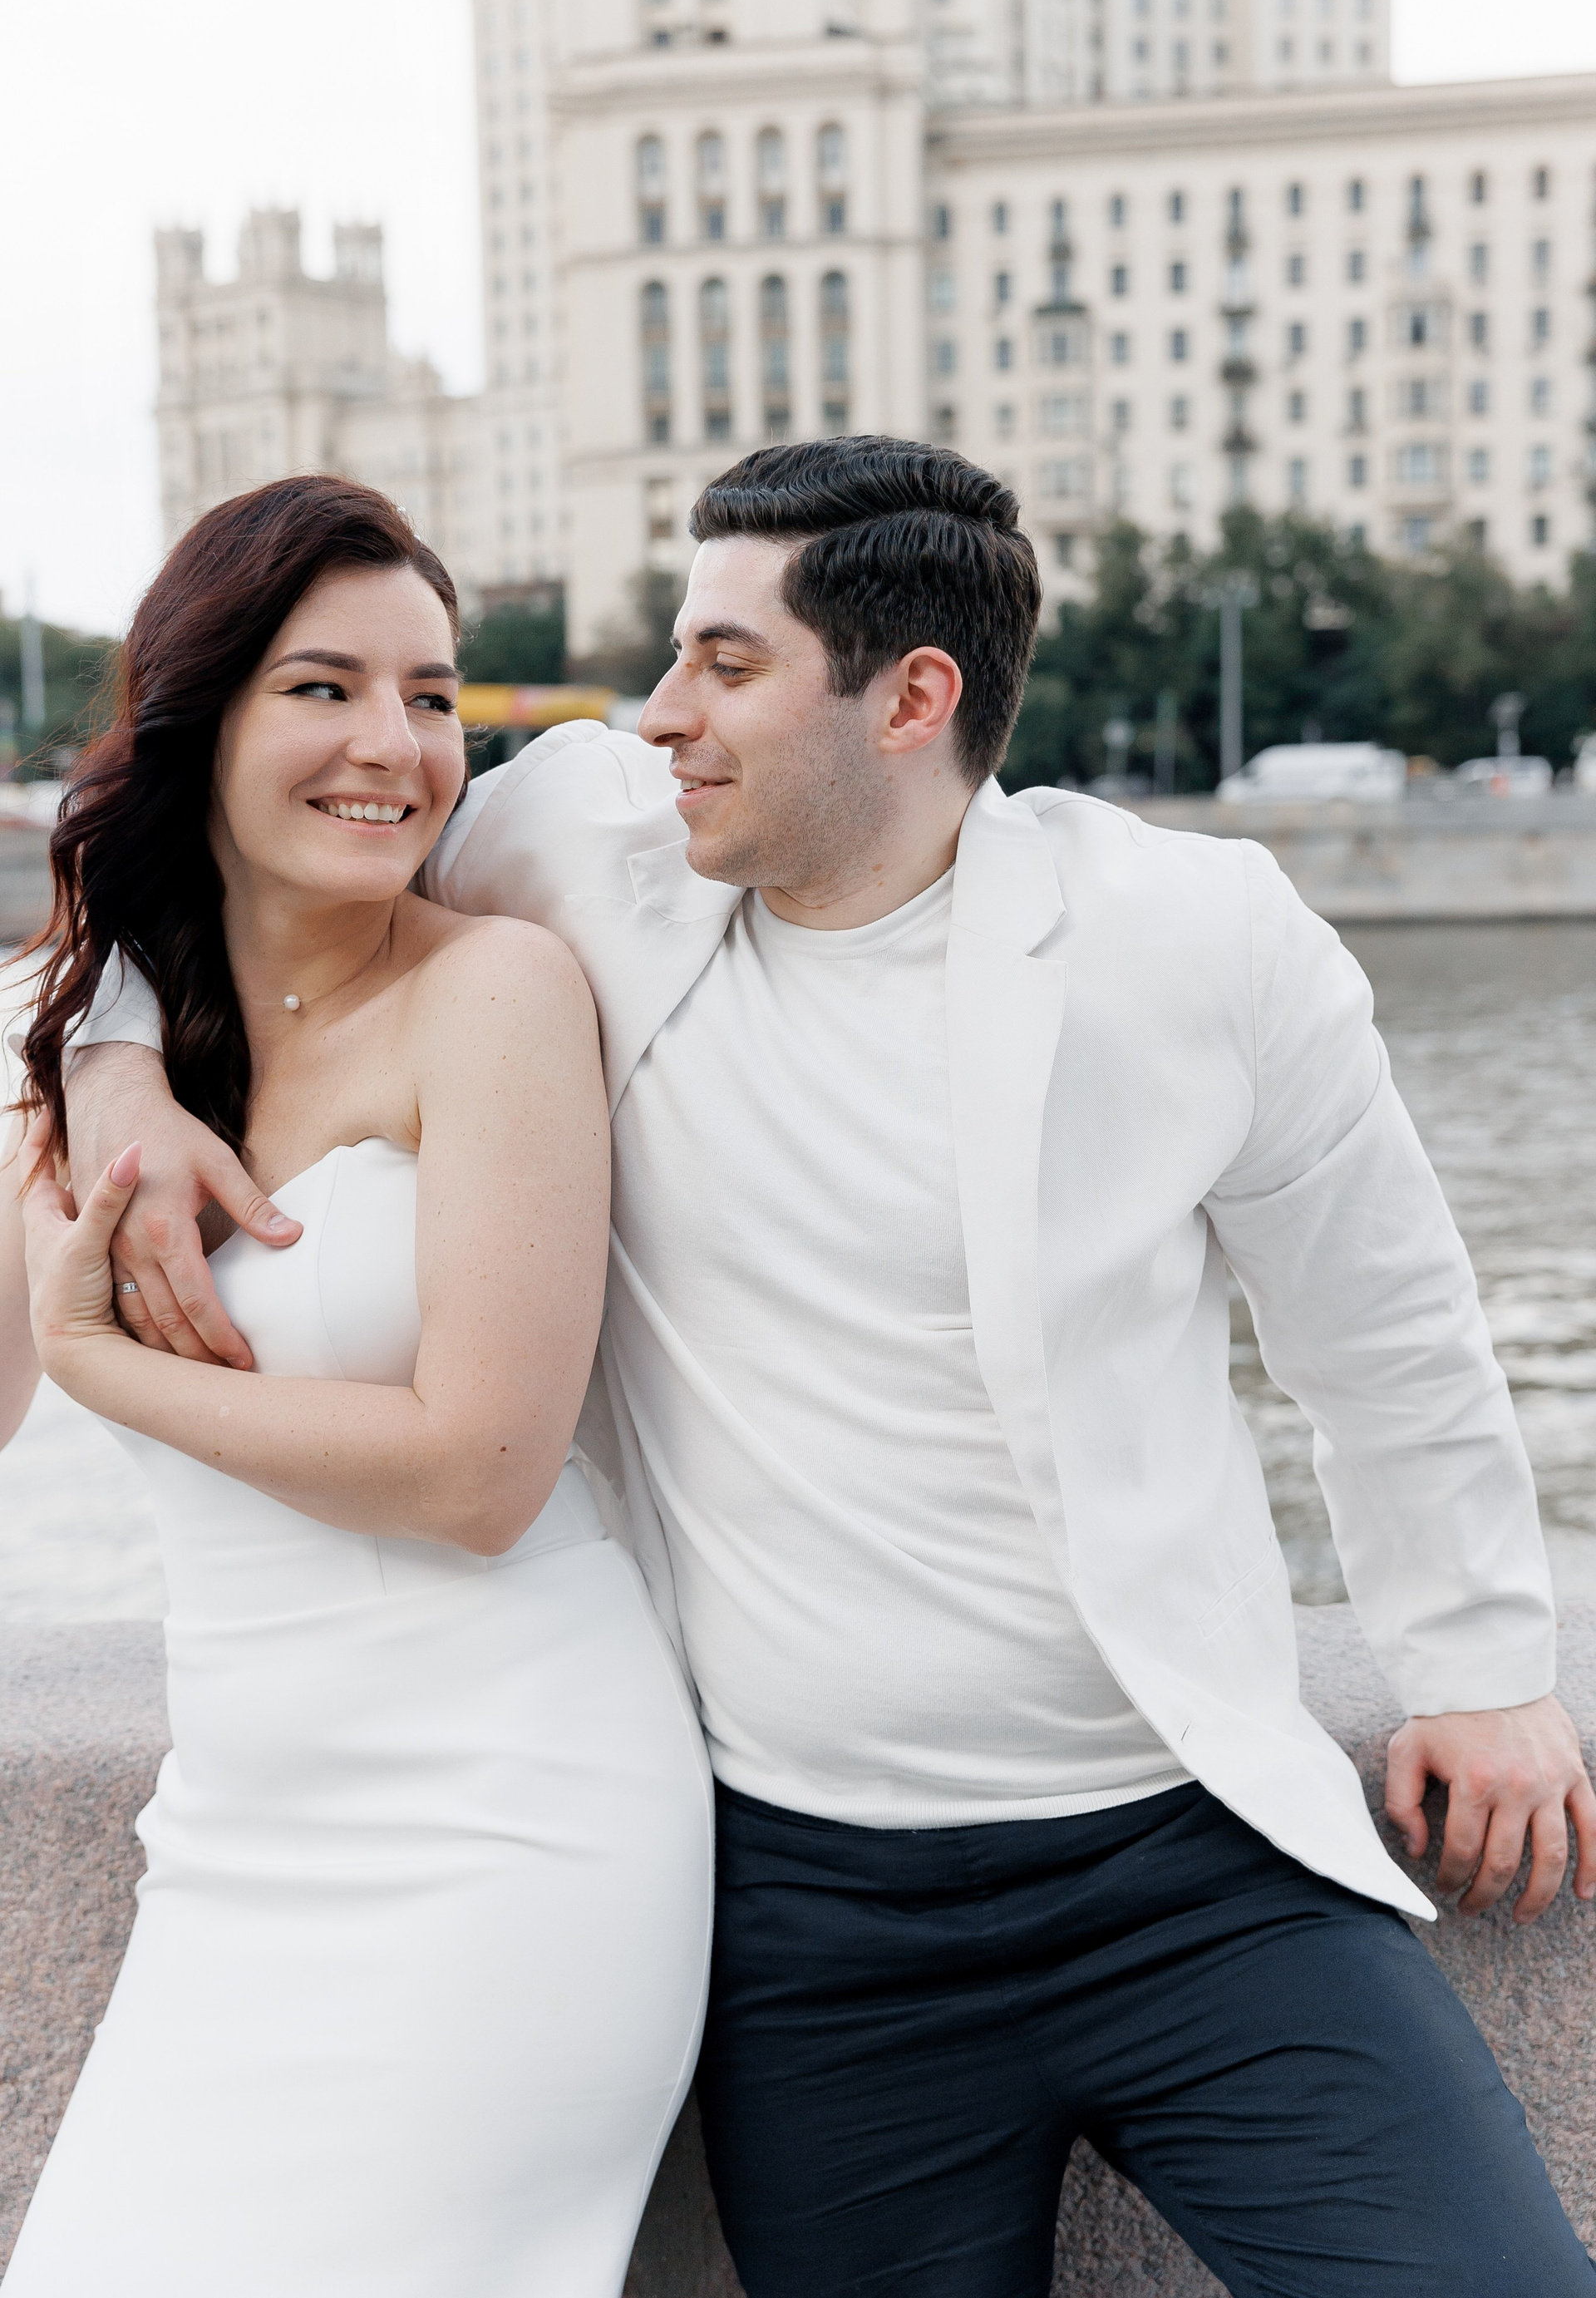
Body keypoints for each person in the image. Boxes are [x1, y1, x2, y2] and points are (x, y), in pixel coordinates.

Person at [65, 439, 1596, 2296]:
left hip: (1193, 1869)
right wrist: (112, 1067)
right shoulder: (592, 846)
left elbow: (1386, 1320)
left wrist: (1482, 1663)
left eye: (726, 664)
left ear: (911, 698)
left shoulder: (1195, 939)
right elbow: (235, 846)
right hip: (816, 1924)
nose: (660, 714)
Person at [2, 476, 712, 2298]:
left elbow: (480, 1467)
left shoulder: (497, 992)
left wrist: (106, 1369)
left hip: (511, 1823)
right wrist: (87, 1059)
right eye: (323, 688)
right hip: (232, 1836)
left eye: (431, 693)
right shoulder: (80, 1040)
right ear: (199, 719)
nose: (394, 744)